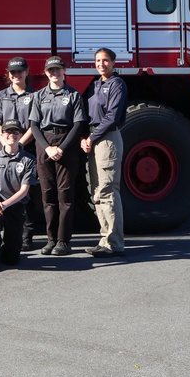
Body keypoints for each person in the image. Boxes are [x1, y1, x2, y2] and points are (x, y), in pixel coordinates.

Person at [29, 56, 88, 256]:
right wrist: (47, 148)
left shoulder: (73, 95)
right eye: (50, 70)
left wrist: (61, 148)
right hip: (44, 143)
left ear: (64, 71)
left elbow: (78, 124)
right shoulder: (39, 96)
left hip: (66, 143)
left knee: (65, 195)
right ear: (46, 73)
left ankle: (63, 241)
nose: (54, 73)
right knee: (48, 195)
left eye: (58, 69)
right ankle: (50, 240)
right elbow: (34, 125)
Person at [81, 47, 129, 257]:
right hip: (93, 139)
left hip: (107, 139)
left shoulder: (117, 84)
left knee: (108, 191)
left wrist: (91, 138)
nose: (101, 64)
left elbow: (112, 117)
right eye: (98, 61)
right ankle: (105, 239)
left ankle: (115, 243)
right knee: (97, 191)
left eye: (106, 60)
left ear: (113, 62)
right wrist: (86, 137)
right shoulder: (95, 85)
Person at [0, 55, 40, 248]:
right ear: (8, 75)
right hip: (4, 147)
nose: (16, 75)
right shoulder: (1, 96)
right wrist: (5, 141)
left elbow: (34, 123)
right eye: (13, 72)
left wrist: (19, 143)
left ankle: (26, 235)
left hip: (26, 146)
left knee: (27, 192)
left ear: (27, 72)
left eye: (20, 71)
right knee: (2, 187)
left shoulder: (35, 96)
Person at [0, 119, 37, 272]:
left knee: (12, 259)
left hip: (15, 206)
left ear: (21, 135)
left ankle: (7, 249)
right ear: (2, 134)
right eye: (7, 131)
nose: (11, 135)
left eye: (15, 131)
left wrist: (5, 205)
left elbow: (24, 190)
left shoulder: (29, 160)